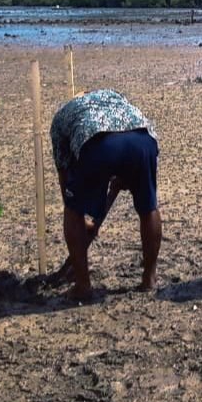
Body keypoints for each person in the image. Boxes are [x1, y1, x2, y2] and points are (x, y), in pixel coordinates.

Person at [51, 89, 163, 300]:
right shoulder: (114, 96)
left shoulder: (62, 117)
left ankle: (83, 286)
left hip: (97, 143)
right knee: (148, 206)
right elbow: (124, 152)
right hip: (143, 140)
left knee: (72, 210)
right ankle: (149, 279)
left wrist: (76, 211)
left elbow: (64, 172)